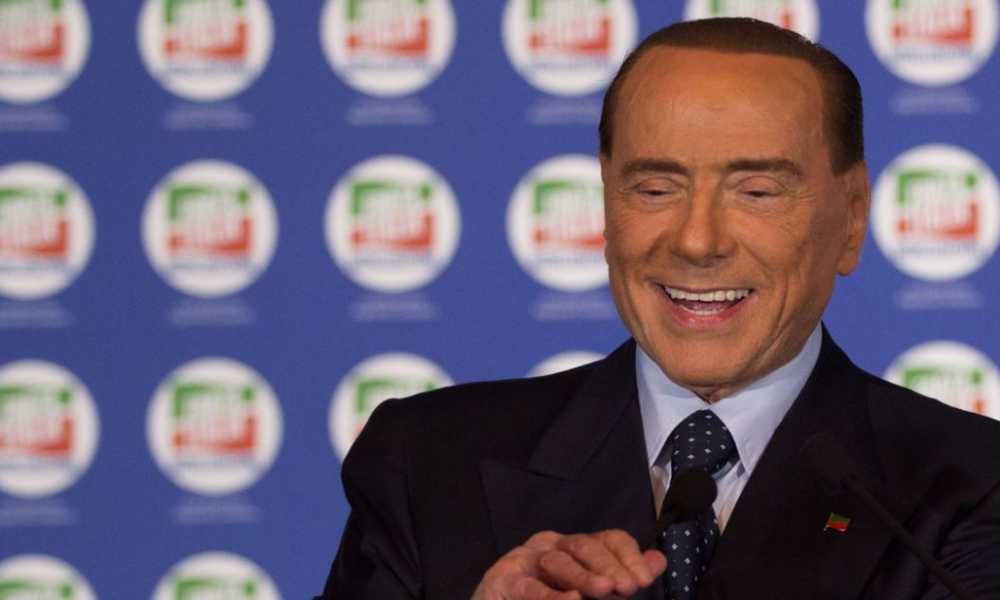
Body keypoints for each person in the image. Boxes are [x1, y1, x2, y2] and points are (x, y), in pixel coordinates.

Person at [317, 18, 1000, 600]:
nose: (697, 241)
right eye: (654, 189)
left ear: (851, 219)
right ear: (606, 204)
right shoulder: (426, 464)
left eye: (757, 192)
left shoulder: (971, 485)